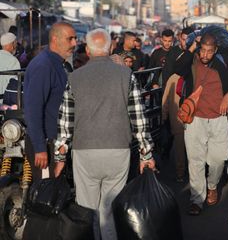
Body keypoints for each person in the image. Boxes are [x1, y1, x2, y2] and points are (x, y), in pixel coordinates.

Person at [54, 29, 155, 240]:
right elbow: (138, 117)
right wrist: (146, 154)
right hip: (117, 151)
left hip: (84, 152)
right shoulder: (126, 75)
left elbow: (66, 121)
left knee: (87, 211)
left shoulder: (74, 77)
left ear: (88, 51)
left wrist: (60, 155)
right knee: (110, 211)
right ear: (110, 48)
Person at [174, 33, 228, 215]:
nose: (205, 55)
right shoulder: (191, 61)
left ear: (216, 50)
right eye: (202, 50)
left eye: (209, 51)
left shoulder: (224, 62)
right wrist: (190, 48)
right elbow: (176, 68)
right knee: (195, 160)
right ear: (198, 47)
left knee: (219, 158)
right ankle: (197, 199)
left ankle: (212, 185)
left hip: (218, 119)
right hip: (195, 119)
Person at [24, 22, 77, 182]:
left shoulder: (58, 65)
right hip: (46, 144)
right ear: (55, 39)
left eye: (75, 39)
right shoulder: (44, 66)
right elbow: (33, 110)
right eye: (70, 39)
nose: (75, 43)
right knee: (46, 196)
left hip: (56, 142)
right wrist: (40, 148)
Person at [0, 32, 20, 103]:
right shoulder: (13, 61)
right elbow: (13, 86)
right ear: (12, 44)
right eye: (15, 43)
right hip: (4, 103)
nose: (16, 46)